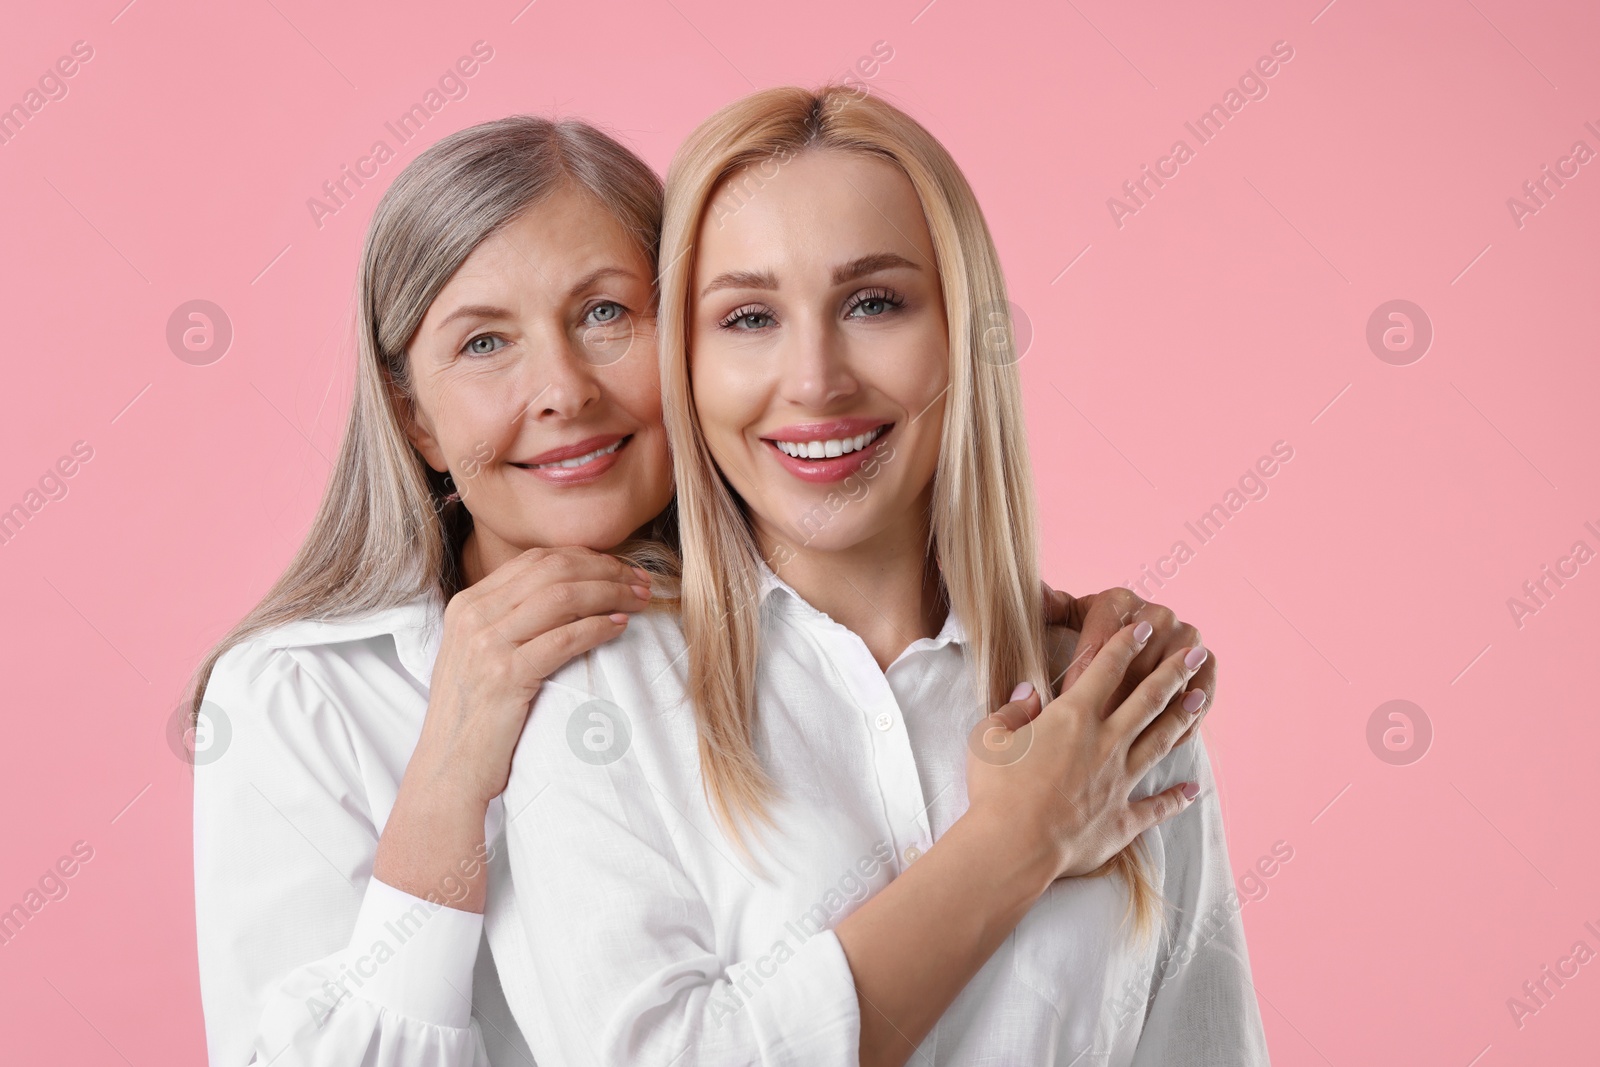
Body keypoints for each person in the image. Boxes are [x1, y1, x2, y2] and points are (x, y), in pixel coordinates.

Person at [190, 113, 1218, 1066]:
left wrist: (1061, 638)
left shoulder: (816, 649)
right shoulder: (301, 694)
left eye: (604, 313)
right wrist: (451, 775)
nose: (564, 390)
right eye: (484, 341)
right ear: (414, 419)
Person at [486, 86, 1268, 1067]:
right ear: (684, 359)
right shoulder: (596, 698)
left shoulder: (1111, 692)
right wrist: (1016, 843)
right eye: (747, 316)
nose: (815, 379)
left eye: (873, 303)